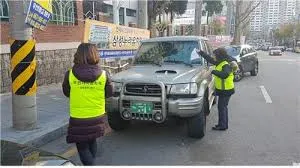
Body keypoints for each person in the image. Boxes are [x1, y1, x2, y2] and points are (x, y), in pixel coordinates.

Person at [62, 43, 113, 165]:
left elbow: (66, 92)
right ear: (95, 55)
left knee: (82, 147)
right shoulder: (104, 75)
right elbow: (108, 93)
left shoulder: (70, 74)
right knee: (92, 140)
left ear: (77, 55)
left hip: (79, 117)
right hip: (97, 115)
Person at [197, 48, 235, 131]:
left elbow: (225, 75)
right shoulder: (220, 62)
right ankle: (223, 124)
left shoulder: (225, 64)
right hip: (223, 90)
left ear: (219, 55)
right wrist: (201, 53)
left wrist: (213, 71)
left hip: (226, 90)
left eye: (215, 55)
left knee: (222, 108)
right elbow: (210, 59)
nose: (213, 57)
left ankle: (222, 125)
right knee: (223, 107)